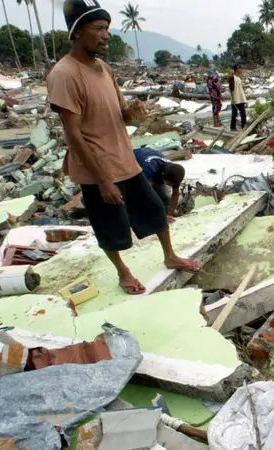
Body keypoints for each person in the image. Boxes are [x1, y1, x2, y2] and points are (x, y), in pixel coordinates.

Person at [48, 0, 201, 296]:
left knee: (154, 209)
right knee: (109, 226)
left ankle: (170, 256)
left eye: (107, 28)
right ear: (78, 32)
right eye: (99, 28)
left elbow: (121, 114)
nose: (106, 35)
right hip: (97, 168)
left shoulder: (103, 69)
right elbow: (73, 134)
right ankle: (123, 272)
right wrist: (103, 181)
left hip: (124, 158)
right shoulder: (64, 74)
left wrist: (133, 111)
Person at [133, 148, 185, 222]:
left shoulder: (175, 173)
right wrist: (159, 217)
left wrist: (169, 215)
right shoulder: (148, 171)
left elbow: (175, 194)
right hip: (134, 160)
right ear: (162, 175)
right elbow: (145, 196)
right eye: (169, 184)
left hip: (150, 157)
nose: (171, 186)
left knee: (165, 198)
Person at [228, 64, 247, 131]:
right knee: (234, 114)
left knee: (243, 114)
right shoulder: (232, 78)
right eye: (240, 69)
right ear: (237, 70)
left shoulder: (238, 78)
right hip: (236, 99)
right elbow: (231, 89)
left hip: (240, 99)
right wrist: (233, 99)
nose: (241, 70)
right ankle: (233, 127)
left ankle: (244, 126)